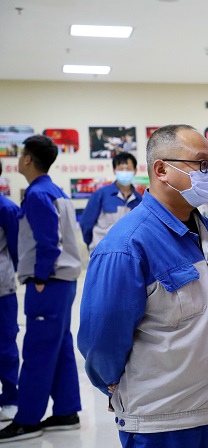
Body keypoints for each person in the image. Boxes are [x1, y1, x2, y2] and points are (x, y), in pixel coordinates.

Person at [77, 124, 208, 448]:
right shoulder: (126, 246)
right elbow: (102, 341)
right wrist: (112, 384)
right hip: (161, 425)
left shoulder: (204, 234)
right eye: (201, 164)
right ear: (161, 170)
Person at [0, 135, 82, 443]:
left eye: (21, 154)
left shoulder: (37, 194)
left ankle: (27, 419)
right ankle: (66, 412)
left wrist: (39, 277)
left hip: (49, 283)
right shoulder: (55, 190)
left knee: (36, 350)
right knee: (60, 347)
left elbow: (49, 242)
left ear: (27, 159)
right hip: (63, 283)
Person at [80, 153, 142, 252]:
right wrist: (93, 246)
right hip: (102, 253)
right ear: (114, 170)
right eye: (121, 169)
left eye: (128, 168)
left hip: (127, 254)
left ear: (135, 171)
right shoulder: (101, 194)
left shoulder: (139, 200)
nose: (124, 172)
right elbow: (86, 224)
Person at [0, 160, 20, 423]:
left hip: (2, 289)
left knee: (4, 344)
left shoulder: (6, 209)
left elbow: (17, 250)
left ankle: (10, 398)